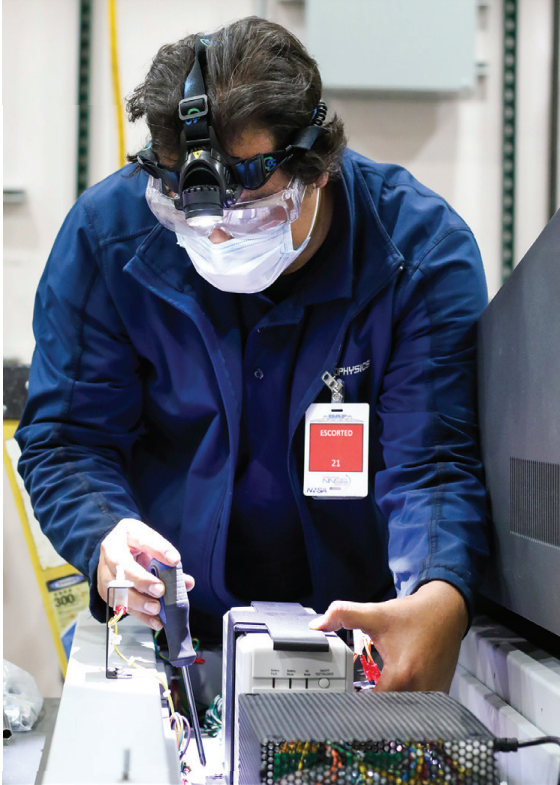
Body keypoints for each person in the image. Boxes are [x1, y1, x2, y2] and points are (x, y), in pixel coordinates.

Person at [16, 16, 489, 692]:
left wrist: (437, 598)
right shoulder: (109, 239)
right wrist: (104, 535)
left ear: (318, 168)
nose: (217, 236)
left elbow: (434, 468)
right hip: (174, 633)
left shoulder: (415, 254)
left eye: (255, 211)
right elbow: (67, 439)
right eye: (191, 214)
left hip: (352, 638)